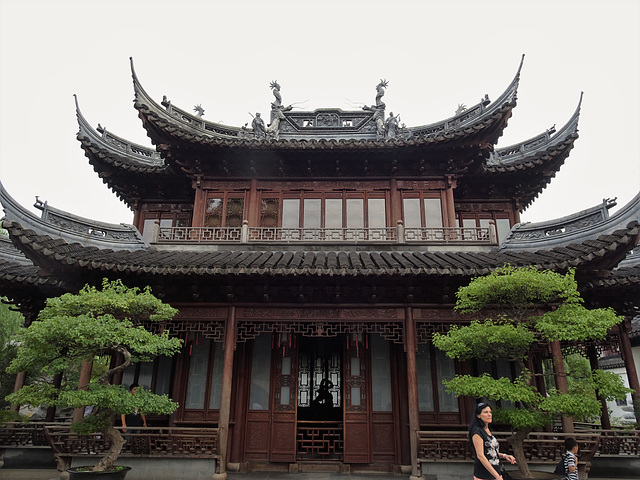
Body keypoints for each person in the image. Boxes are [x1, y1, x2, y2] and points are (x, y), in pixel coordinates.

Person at [469, 402, 516, 480]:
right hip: (484, 474)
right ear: (478, 415)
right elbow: (480, 456)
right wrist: (496, 476)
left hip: (495, 470)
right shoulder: (477, 432)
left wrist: (504, 456)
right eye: (485, 412)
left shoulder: (488, 430)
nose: (489, 414)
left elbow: (490, 451)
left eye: (490, 412)